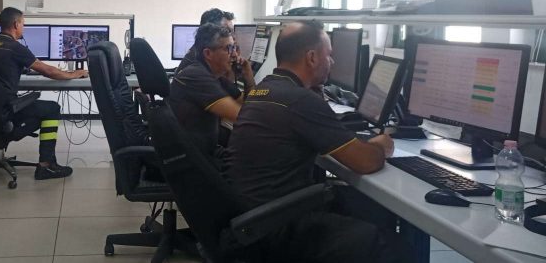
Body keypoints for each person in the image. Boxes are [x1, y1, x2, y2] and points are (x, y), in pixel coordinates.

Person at [223, 20, 412, 263]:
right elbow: (365, 162)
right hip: (277, 228)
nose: (332, 62)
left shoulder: (264, 90)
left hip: (253, 217)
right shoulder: (300, 100)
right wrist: (381, 145)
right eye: (329, 55)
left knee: (361, 206)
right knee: (395, 245)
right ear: (311, 58)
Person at [0, 7, 88, 180]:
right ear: (16, 24)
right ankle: (46, 165)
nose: (23, 27)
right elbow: (48, 71)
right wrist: (74, 74)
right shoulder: (15, 47)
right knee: (51, 109)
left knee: (12, 103)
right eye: (23, 24)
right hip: (7, 109)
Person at [168, 23, 254, 161]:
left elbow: (247, 106)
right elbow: (241, 116)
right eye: (228, 48)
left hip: (203, 151)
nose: (234, 54)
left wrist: (248, 76)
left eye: (234, 48)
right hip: (192, 160)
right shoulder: (196, 76)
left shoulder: (215, 76)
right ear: (208, 53)